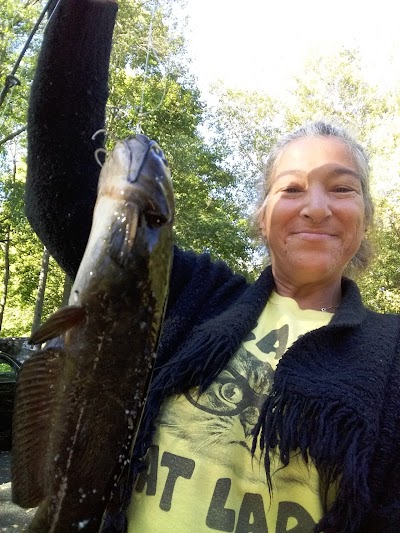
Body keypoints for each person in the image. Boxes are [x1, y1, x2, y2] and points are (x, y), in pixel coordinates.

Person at [24, 0, 400, 532]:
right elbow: (60, 188)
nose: (316, 206)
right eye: (291, 188)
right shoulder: (190, 293)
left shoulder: (393, 357)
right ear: (262, 216)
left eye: (342, 188)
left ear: (365, 216)